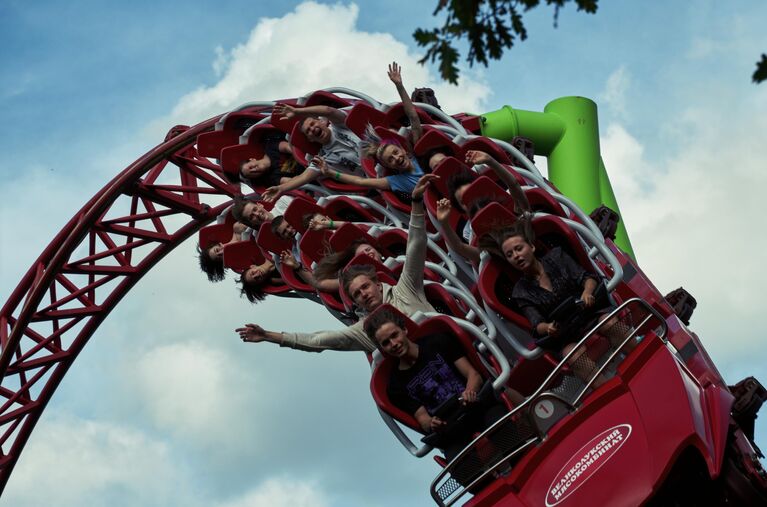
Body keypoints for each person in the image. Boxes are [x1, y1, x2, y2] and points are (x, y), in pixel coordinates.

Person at [236, 174, 440, 353]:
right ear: (354, 302)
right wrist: (270, 336)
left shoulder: (404, 291)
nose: (364, 294)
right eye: (357, 294)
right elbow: (319, 341)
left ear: (377, 284)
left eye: (365, 288)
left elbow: (415, 244)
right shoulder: (366, 329)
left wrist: (416, 201)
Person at [363, 307, 510, 468]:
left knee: (506, 433)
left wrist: (470, 392)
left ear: (404, 330)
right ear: (382, 349)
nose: (394, 344)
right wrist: (431, 423)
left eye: (394, 335)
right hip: (451, 429)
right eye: (386, 343)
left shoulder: (437, 342)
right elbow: (422, 417)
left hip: (477, 406)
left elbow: (473, 375)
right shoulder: (395, 385)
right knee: (463, 467)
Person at [321, 63, 445, 195]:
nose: (396, 158)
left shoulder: (415, 152)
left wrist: (399, 86)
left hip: (451, 179)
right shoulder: (398, 180)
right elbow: (361, 182)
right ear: (389, 166)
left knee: (435, 159)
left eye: (395, 152)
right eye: (390, 160)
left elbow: (413, 117)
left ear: (403, 149)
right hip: (441, 200)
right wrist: (331, 173)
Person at [436, 150, 531, 265]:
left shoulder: (507, 209)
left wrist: (490, 161)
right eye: (464, 201)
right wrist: (444, 223)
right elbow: (460, 247)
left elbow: (514, 185)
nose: (472, 202)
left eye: (472, 194)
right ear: (462, 209)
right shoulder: (476, 237)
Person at [263, 102, 363, 203]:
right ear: (310, 139)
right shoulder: (323, 159)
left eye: (312, 124)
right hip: (374, 176)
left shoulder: (338, 124)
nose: (312, 129)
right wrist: (281, 189)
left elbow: (328, 110)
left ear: (322, 121)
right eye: (308, 131)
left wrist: (296, 111)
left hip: (378, 150)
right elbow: (304, 177)